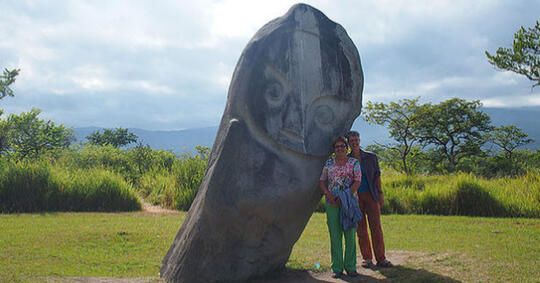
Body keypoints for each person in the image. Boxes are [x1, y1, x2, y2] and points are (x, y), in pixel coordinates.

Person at [346, 130, 393, 268]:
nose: (354, 142)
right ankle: (367, 258)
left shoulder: (371, 157)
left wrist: (380, 193)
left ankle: (381, 258)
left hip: (371, 195)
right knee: (360, 229)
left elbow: (377, 176)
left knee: (376, 227)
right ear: (348, 143)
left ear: (359, 140)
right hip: (356, 197)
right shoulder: (347, 160)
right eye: (351, 140)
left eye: (356, 140)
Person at [319, 136, 362, 278]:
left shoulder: (354, 163)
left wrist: (344, 196)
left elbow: (357, 181)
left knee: (350, 234)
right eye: (337, 146)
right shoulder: (329, 163)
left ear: (346, 148)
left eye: (342, 146)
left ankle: (350, 267)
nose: (340, 149)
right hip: (332, 202)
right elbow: (322, 181)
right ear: (334, 149)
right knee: (335, 235)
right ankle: (336, 268)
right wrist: (329, 195)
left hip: (349, 201)